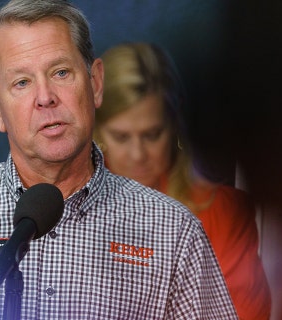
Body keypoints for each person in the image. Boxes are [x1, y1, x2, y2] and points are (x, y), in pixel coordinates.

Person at [0, 1, 237, 319]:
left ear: (95, 84)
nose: (45, 98)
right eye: (22, 83)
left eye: (61, 73)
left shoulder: (172, 232)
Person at [94, 42, 271, 319]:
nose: (138, 154)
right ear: (97, 132)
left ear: (174, 123)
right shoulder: (63, 206)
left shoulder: (223, 214)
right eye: (122, 137)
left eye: (152, 134)